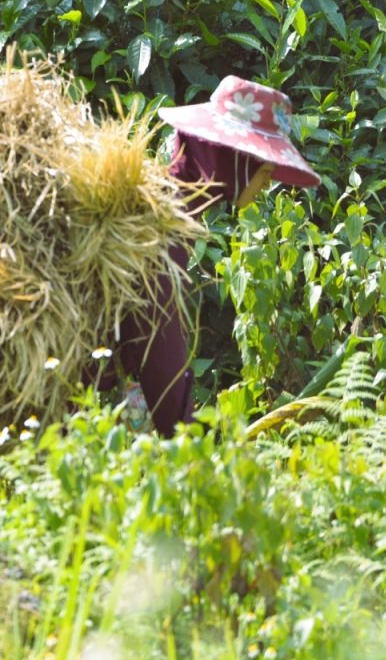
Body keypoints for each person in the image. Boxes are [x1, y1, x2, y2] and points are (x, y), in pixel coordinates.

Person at [115, 76, 321, 435]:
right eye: (265, 170)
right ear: (234, 159)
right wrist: (191, 439)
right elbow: (159, 354)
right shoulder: (163, 221)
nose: (267, 184)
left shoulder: (168, 204)